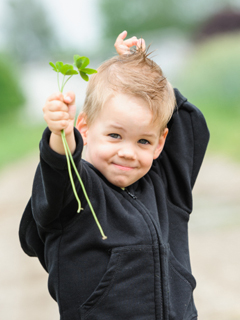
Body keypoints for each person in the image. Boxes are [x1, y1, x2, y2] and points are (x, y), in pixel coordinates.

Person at [19, 30, 209, 320]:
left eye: (143, 141)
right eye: (115, 135)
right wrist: (61, 133)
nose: (128, 152)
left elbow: (188, 124)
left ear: (160, 143)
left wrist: (141, 72)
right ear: (84, 127)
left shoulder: (167, 185)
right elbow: (59, 170)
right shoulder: (78, 192)